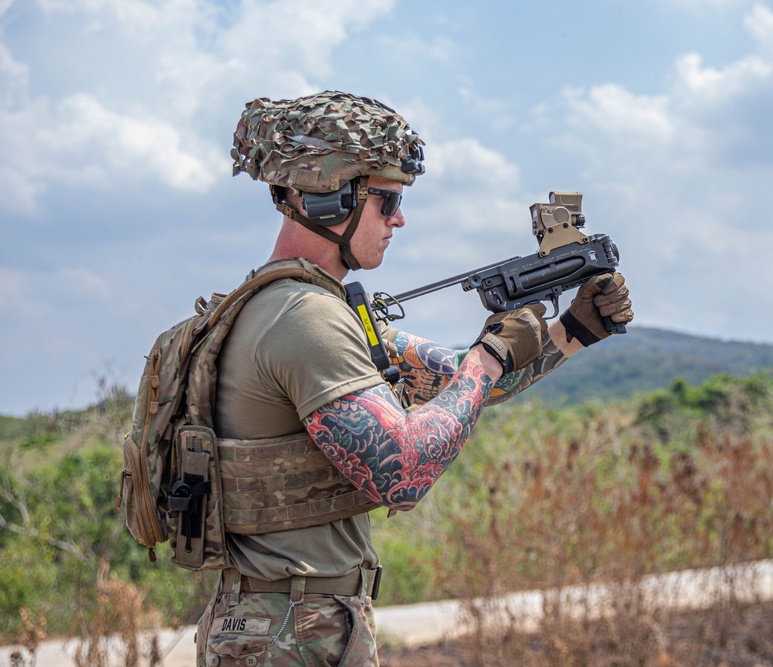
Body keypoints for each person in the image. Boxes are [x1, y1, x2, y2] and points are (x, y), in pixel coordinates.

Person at [196, 90, 634, 667]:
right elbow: (402, 470)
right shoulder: (306, 321)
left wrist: (573, 329)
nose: (399, 218)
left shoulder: (289, 307)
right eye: (387, 200)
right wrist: (488, 357)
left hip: (281, 624)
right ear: (332, 197)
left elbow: (462, 389)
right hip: (290, 635)